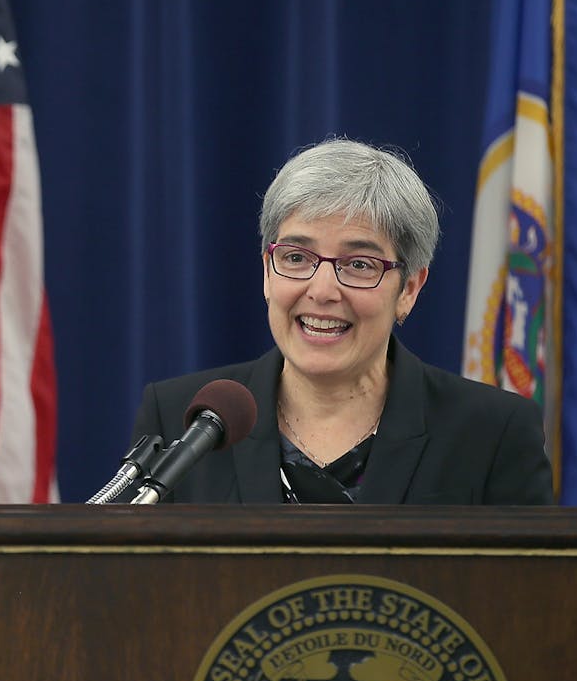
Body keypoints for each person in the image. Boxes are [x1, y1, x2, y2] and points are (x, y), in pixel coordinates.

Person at [130, 138, 553, 505]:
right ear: (267, 271)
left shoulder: (493, 434)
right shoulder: (182, 419)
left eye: (359, 264)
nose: (323, 290)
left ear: (408, 289)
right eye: (296, 258)